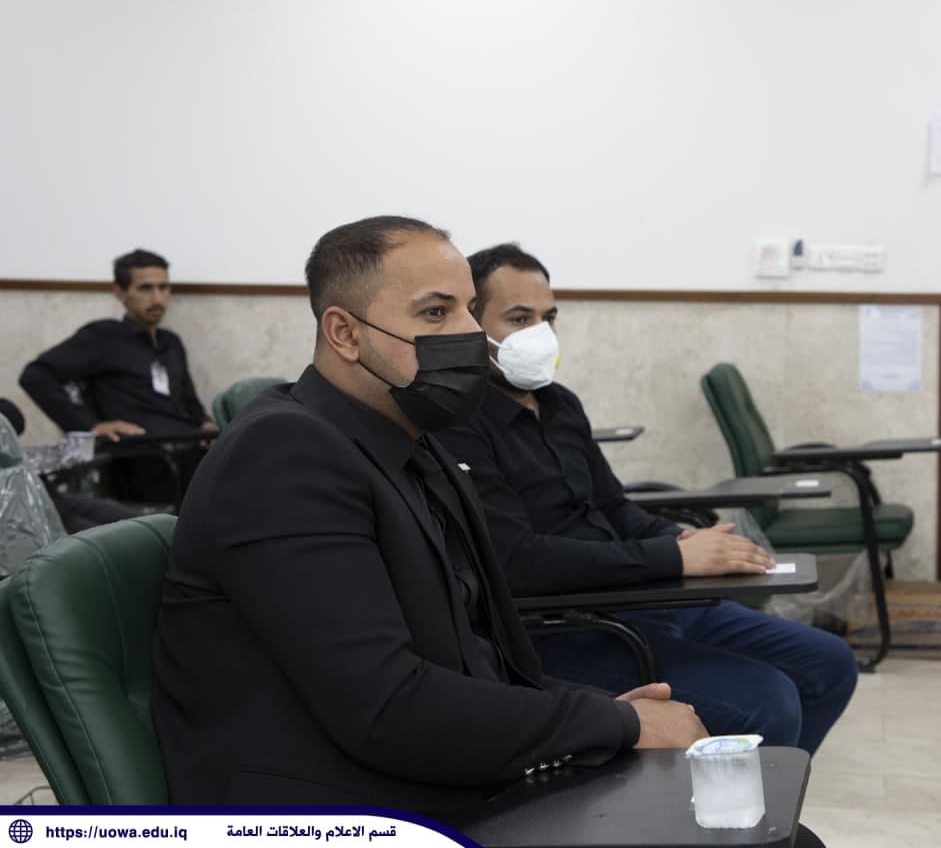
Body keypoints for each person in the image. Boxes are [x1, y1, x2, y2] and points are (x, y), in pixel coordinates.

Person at [150, 216, 707, 812]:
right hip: (335, 810)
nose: (469, 334)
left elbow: (479, 662)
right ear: (345, 333)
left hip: (441, 777)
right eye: (435, 313)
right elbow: (386, 709)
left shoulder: (415, 444)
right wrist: (615, 724)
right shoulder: (283, 455)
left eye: (469, 310)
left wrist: (607, 714)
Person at [435, 243, 859, 756]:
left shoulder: (561, 404)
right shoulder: (458, 424)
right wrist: (671, 557)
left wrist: (686, 540)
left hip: (639, 597)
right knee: (767, 701)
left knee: (829, 663)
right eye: (520, 318)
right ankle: (723, 799)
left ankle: (758, 796)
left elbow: (614, 508)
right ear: (472, 324)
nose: (541, 334)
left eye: (550, 318)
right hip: (563, 628)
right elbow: (515, 561)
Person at [19, 249, 217, 503]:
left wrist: (206, 424)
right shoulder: (103, 337)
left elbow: (190, 402)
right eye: (145, 288)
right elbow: (35, 376)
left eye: (163, 287)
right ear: (120, 293)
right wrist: (90, 427)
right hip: (144, 459)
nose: (157, 298)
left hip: (188, 447)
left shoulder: (171, 343)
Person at [0, 397, 140, 533]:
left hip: (48, 499)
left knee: (141, 524)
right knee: (110, 539)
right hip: (20, 516)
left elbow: (14, 418)